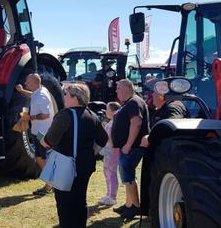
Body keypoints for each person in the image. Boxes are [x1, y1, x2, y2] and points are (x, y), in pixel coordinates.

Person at [41, 83, 107, 228]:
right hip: (86, 165)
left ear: (75, 98)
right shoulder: (92, 115)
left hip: (65, 166)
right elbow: (103, 138)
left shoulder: (65, 115)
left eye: (66, 94)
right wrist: (93, 152)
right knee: (80, 200)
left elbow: (50, 140)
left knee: (64, 203)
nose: (64, 97)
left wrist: (43, 141)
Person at [110, 79, 149, 220]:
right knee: (128, 177)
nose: (116, 91)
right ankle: (128, 205)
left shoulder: (134, 102)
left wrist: (127, 145)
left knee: (128, 177)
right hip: (128, 147)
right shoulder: (130, 102)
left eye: (118, 88)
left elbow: (136, 123)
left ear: (126, 88)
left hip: (131, 148)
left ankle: (136, 207)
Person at [15, 73, 55, 196]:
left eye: (28, 82)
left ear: (34, 82)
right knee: (42, 156)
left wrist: (29, 117)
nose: (26, 83)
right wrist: (22, 91)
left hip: (41, 133)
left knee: (40, 157)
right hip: (39, 132)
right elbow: (33, 96)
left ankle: (50, 184)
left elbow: (46, 115)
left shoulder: (42, 95)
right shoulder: (40, 91)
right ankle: (51, 182)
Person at [98, 101, 121, 206]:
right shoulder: (112, 121)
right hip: (108, 149)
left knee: (111, 173)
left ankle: (112, 196)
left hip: (112, 150)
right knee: (106, 171)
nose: (106, 111)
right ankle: (108, 194)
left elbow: (111, 138)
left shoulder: (115, 122)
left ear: (112, 111)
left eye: (107, 109)